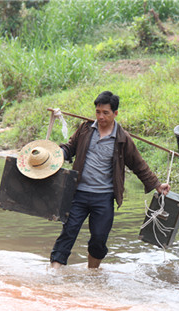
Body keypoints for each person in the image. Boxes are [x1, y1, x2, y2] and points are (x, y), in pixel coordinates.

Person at [50, 91, 170, 269]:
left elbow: (138, 165)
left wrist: (156, 185)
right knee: (68, 232)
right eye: (98, 112)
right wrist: (55, 154)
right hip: (79, 194)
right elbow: (69, 148)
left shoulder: (122, 139)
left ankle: (92, 273)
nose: (100, 116)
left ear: (115, 113)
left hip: (104, 197)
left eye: (105, 113)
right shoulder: (85, 130)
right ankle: (54, 272)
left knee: (99, 239)